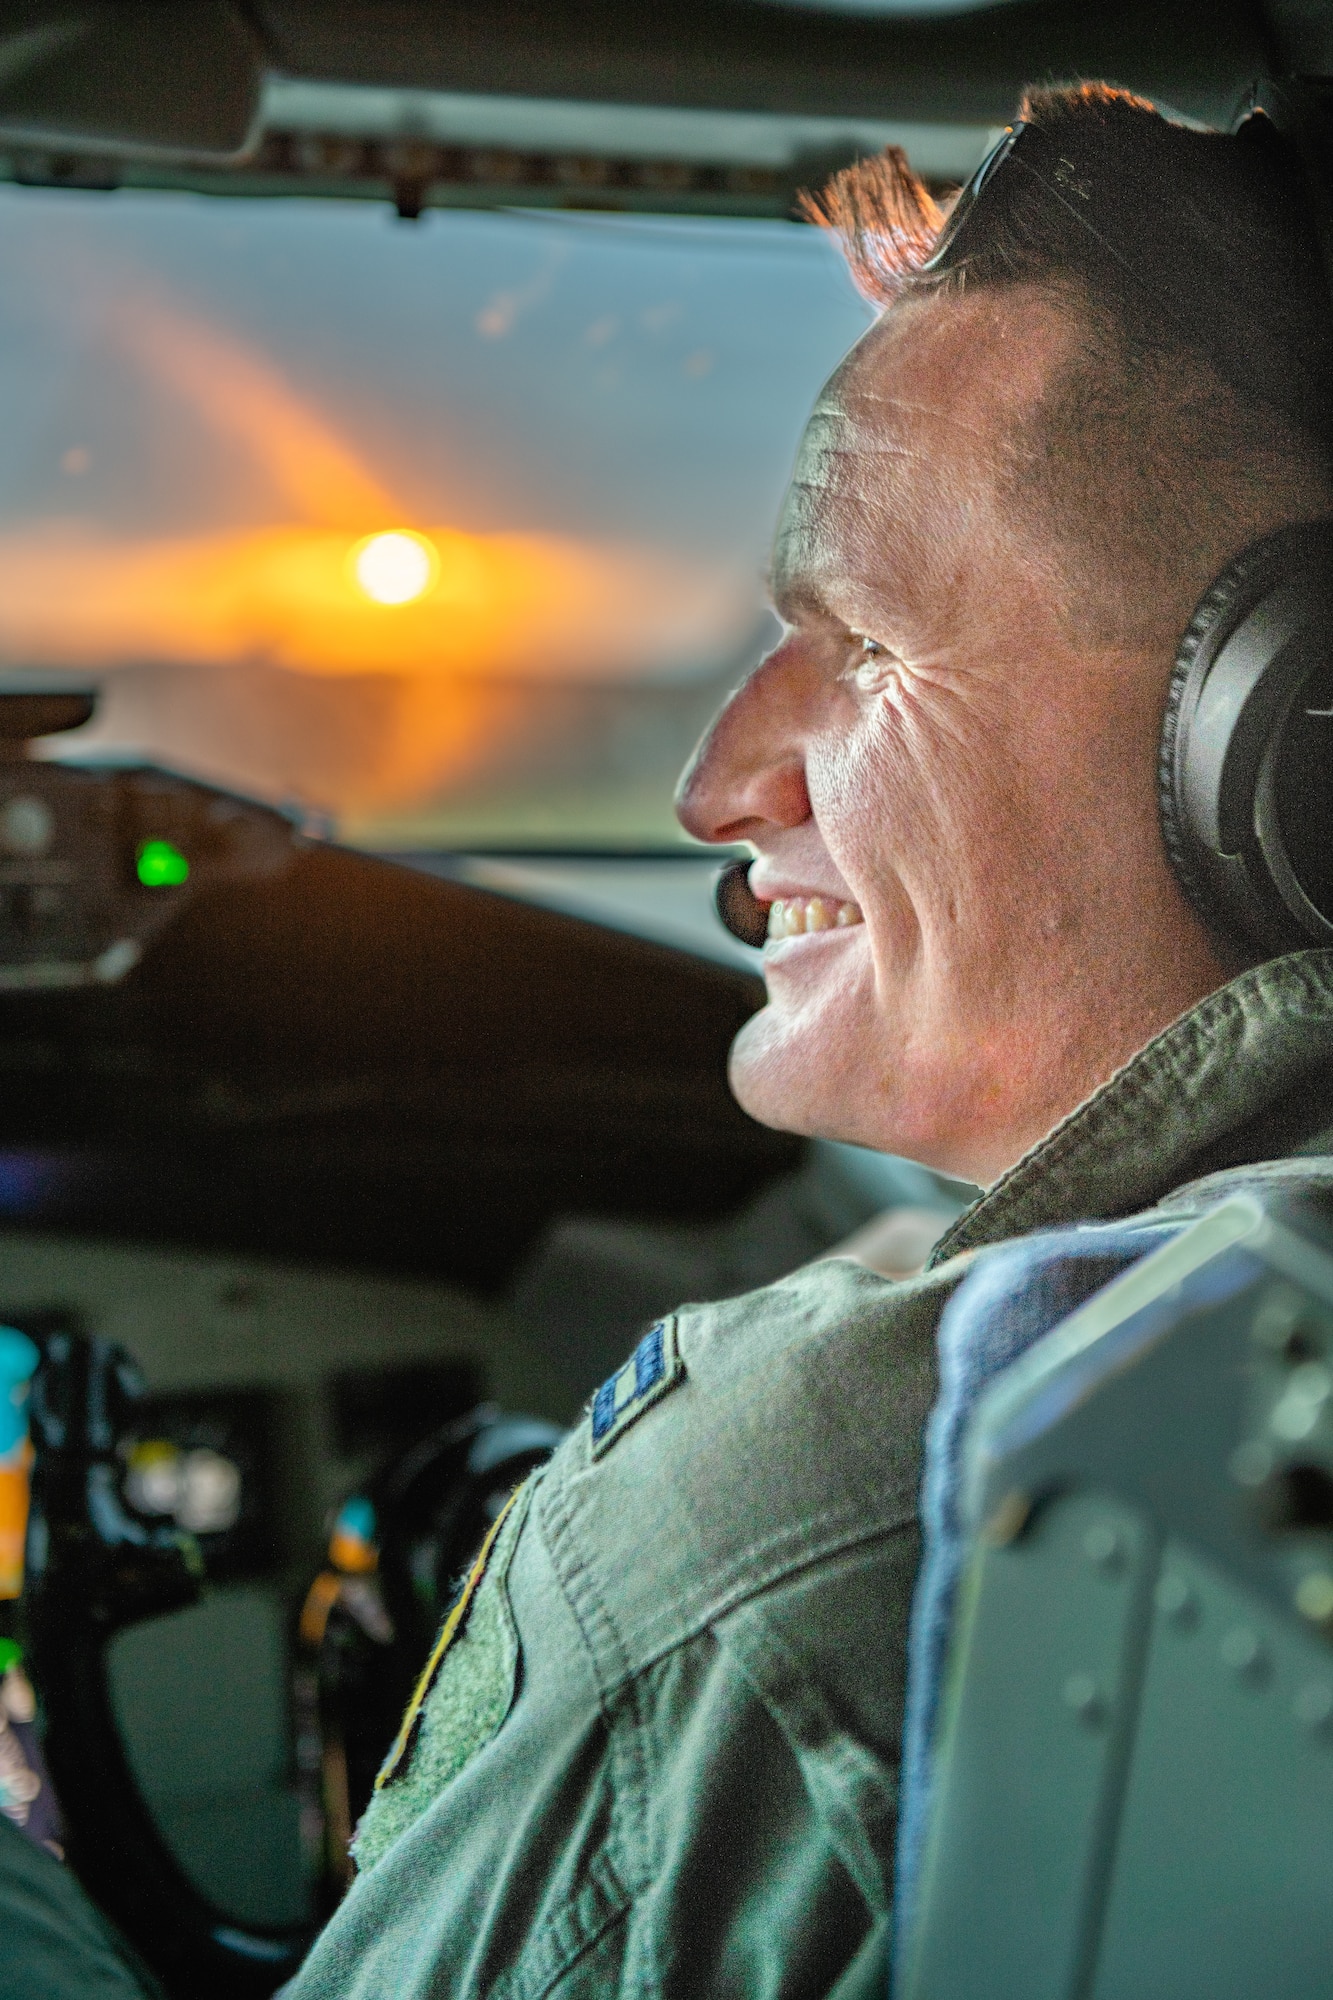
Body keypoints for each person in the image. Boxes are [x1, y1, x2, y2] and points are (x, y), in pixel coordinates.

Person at [32, 78, 1332, 2000]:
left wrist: (34, 1894)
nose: (715, 785)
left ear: (1287, 741)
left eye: (865, 646)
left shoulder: (837, 1507)